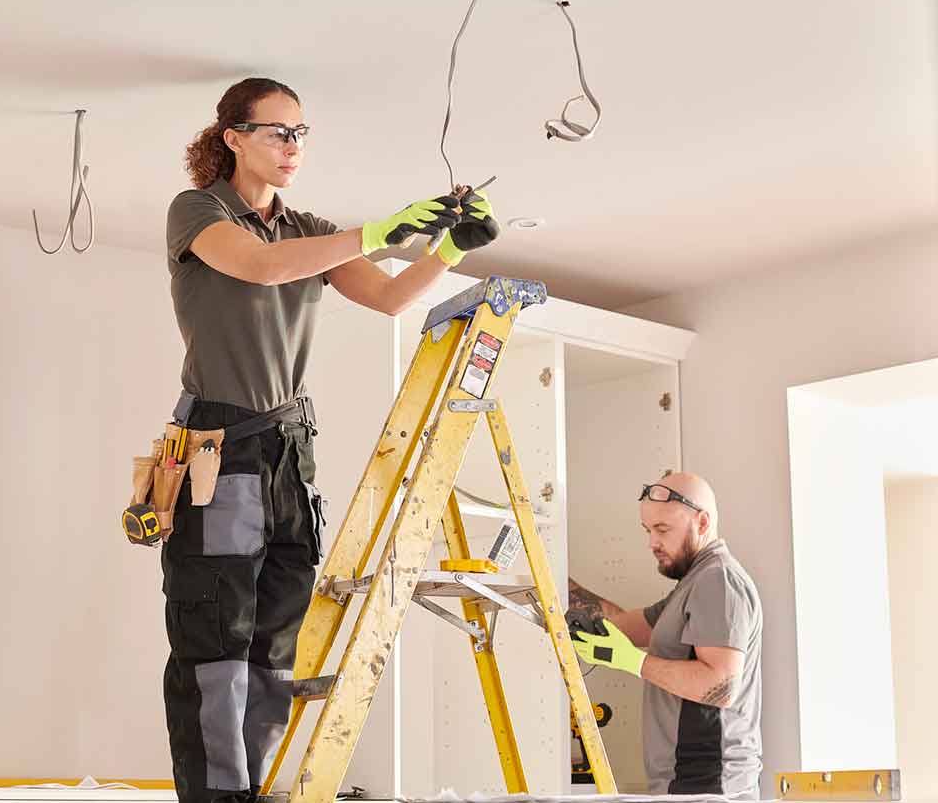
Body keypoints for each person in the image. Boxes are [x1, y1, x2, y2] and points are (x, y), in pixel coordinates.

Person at [159, 76, 495, 803]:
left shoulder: (309, 227)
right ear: (235, 138)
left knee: (276, 642)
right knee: (215, 640)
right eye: (278, 131)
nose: (292, 147)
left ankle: (253, 786)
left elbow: (388, 297)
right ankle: (217, 797)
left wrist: (450, 250)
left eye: (301, 134)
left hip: (288, 452)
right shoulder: (199, 211)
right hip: (221, 451)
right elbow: (260, 266)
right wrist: (377, 231)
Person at [567, 472, 764, 799]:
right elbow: (618, 624)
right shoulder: (693, 585)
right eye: (647, 530)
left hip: (709, 785)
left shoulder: (718, 581)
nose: (652, 543)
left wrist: (634, 662)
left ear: (702, 523)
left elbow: (722, 686)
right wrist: (554, 575)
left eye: (662, 530)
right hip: (686, 784)